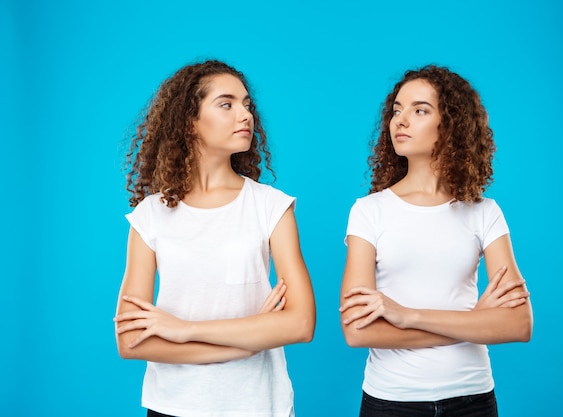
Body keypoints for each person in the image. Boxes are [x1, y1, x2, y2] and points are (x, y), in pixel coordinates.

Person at [114, 59, 315, 417]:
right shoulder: (150, 215)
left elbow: (300, 323)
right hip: (172, 405)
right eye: (227, 104)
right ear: (189, 121)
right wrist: (244, 344)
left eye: (247, 105)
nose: (245, 115)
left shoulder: (271, 206)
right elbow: (130, 340)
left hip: (256, 405)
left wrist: (183, 330)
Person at [339, 65, 533, 417]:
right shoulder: (368, 212)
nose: (401, 120)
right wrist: (474, 322)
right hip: (391, 401)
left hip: (472, 398)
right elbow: (356, 330)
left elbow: (518, 324)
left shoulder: (484, 213)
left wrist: (406, 315)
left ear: (452, 125)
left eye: (420, 110)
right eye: (397, 110)